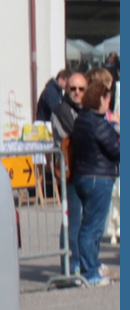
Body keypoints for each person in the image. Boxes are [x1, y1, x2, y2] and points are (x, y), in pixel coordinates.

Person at [70, 80, 120, 286]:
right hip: (98, 177)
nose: (108, 102)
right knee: (92, 228)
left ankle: (91, 266)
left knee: (89, 227)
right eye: (107, 98)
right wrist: (118, 128)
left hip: (84, 175)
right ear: (101, 99)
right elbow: (116, 150)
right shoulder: (97, 122)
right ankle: (90, 272)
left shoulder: (82, 119)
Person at [53, 72, 87, 273]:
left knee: (87, 222)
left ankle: (84, 263)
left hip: (86, 171)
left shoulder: (86, 109)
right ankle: (70, 266)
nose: (77, 92)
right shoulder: (61, 110)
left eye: (81, 89)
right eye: (73, 88)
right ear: (67, 90)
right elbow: (80, 134)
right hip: (70, 172)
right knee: (72, 221)